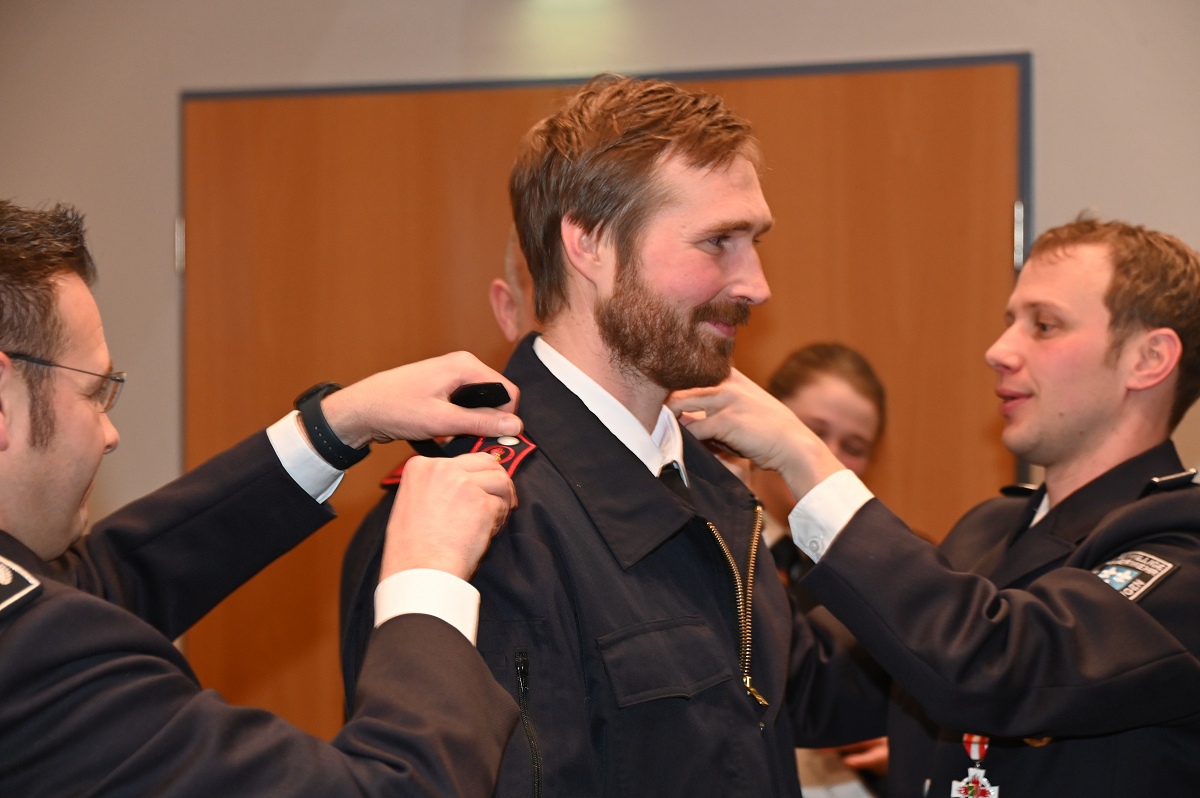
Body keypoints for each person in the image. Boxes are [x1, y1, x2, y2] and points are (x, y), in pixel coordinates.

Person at [342, 74, 886, 797]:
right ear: (589, 242)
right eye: (718, 242)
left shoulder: (709, 486)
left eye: (753, 242)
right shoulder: (479, 518)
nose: (756, 285)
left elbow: (813, 693)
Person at [0, 199, 523, 796]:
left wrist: (333, 426)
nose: (110, 433)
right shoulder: (35, 658)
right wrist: (425, 575)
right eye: (96, 393)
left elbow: (106, 582)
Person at [672, 217, 1200, 797]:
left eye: (1045, 326)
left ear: (1148, 359)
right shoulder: (988, 530)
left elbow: (998, 666)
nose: (998, 351)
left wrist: (808, 460)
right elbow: (808, 686)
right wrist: (724, 500)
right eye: (1010, 322)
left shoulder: (1183, 543)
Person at [757, 344, 889, 798]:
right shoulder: (709, 547)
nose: (828, 457)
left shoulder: (881, 574)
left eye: (854, 448)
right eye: (813, 433)